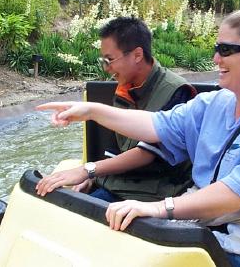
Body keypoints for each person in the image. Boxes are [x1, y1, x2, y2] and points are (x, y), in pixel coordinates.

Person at [36, 7, 240, 266]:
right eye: (216, 47)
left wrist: (159, 209)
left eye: (225, 50)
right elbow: (155, 125)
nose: (215, 58)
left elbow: (235, 194)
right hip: (214, 226)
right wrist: (91, 110)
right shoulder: (215, 103)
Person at [36, 16, 195, 203]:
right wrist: (93, 177)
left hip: (157, 191)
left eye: (110, 60)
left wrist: (87, 170)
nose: (107, 68)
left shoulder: (176, 91)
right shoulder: (125, 87)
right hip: (121, 183)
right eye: (103, 60)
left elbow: (147, 153)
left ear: (137, 55)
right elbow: (117, 146)